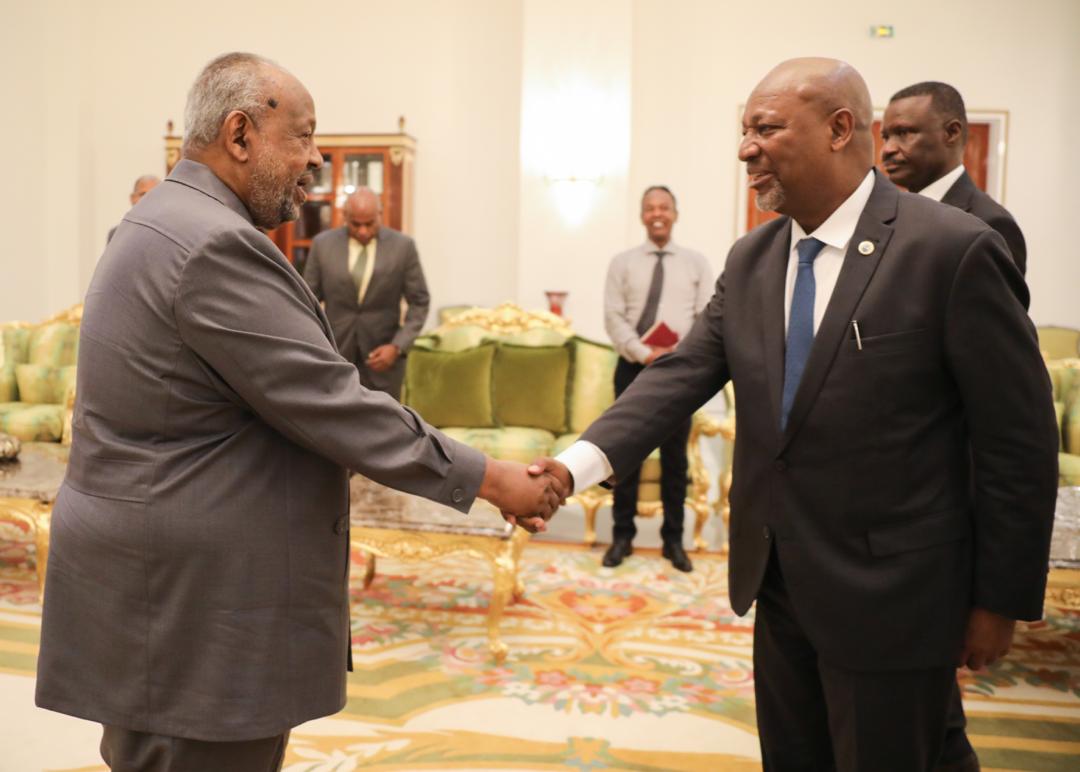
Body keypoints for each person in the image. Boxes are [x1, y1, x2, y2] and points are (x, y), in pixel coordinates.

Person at [35, 52, 563, 772]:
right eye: (305, 137)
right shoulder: (213, 243)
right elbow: (334, 403)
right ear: (240, 134)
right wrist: (495, 480)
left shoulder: (163, 218)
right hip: (196, 609)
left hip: (160, 588)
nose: (316, 159)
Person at [535, 58, 1057, 770]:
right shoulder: (753, 258)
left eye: (765, 128)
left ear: (839, 129)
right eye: (743, 130)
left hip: (895, 597)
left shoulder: (951, 248)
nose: (744, 149)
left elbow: (1017, 440)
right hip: (778, 581)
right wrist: (568, 470)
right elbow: (679, 376)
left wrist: (999, 600)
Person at [595, 185, 712, 572]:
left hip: (680, 370)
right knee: (624, 456)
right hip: (632, 367)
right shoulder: (622, 263)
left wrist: (678, 354)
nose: (657, 213)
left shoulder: (695, 263)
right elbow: (613, 317)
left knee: (676, 460)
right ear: (642, 215)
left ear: (675, 214)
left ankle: (673, 541)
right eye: (650, 208)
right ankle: (622, 537)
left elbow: (706, 317)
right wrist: (644, 353)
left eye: (664, 207)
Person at [881, 81, 1027, 275]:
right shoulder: (890, 215)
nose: (887, 149)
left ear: (951, 133)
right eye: (886, 137)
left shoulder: (990, 222)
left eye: (904, 133)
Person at [303, 188, 429, 399]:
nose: (363, 231)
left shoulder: (403, 247)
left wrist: (397, 346)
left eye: (370, 224)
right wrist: (317, 345)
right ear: (345, 216)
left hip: (384, 362)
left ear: (380, 215)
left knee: (385, 419)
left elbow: (420, 302)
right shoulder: (322, 245)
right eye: (355, 224)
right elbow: (307, 302)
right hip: (335, 358)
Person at [106, 173, 160, 243]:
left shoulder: (169, 234)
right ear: (132, 198)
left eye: (153, 194)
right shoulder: (116, 234)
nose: (148, 199)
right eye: (143, 194)